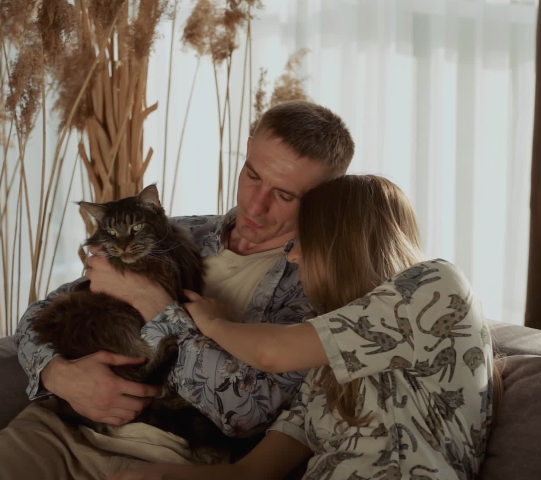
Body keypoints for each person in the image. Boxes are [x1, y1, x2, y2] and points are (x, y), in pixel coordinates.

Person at [0, 101, 356, 479]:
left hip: (168, 458)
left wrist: (153, 304)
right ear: (246, 151)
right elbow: (38, 316)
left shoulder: (317, 287)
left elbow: (250, 413)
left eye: (284, 195)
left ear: (324, 199)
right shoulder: (174, 231)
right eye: (252, 175)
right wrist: (57, 374)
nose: (256, 205)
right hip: (54, 430)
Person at [110, 175, 499, 480]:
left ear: (342, 242)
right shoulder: (325, 363)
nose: (292, 256)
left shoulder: (437, 287)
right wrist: (162, 475)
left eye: (303, 241)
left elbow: (270, 353)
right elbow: (250, 473)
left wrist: (209, 321)